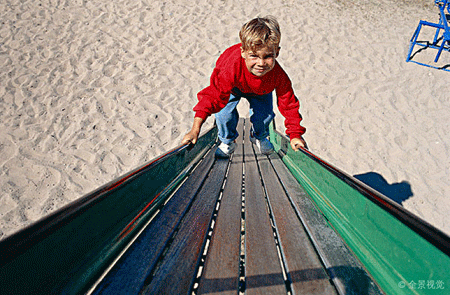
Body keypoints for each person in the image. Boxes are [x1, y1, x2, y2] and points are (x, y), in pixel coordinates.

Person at [182, 16, 306, 158]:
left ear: (276, 53)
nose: (261, 63)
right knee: (224, 114)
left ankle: (259, 135)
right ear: (243, 52)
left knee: (264, 116)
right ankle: (228, 140)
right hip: (234, 86)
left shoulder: (277, 74)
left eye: (267, 56)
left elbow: (288, 103)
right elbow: (213, 96)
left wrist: (295, 135)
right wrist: (195, 129)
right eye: (254, 56)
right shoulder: (230, 67)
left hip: (261, 89)